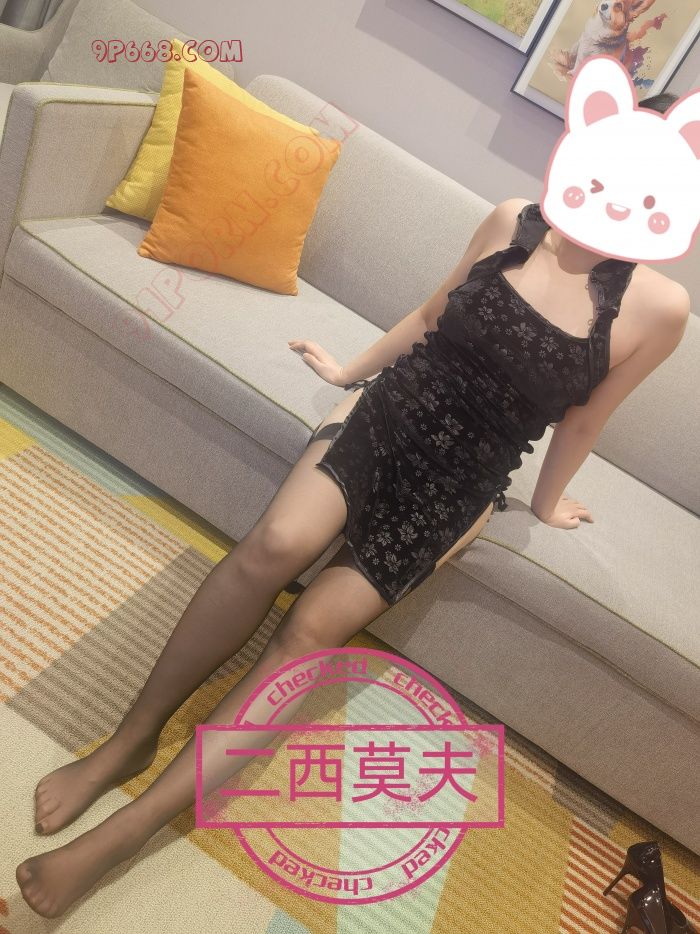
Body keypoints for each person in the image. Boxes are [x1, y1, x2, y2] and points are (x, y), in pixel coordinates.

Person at [16, 92, 690, 918]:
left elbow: (586, 420)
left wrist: (545, 505)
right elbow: (433, 314)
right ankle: (128, 742)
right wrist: (347, 374)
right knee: (274, 545)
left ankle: (131, 829)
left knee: (310, 631)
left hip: (462, 481)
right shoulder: (512, 220)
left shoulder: (659, 308)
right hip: (393, 409)